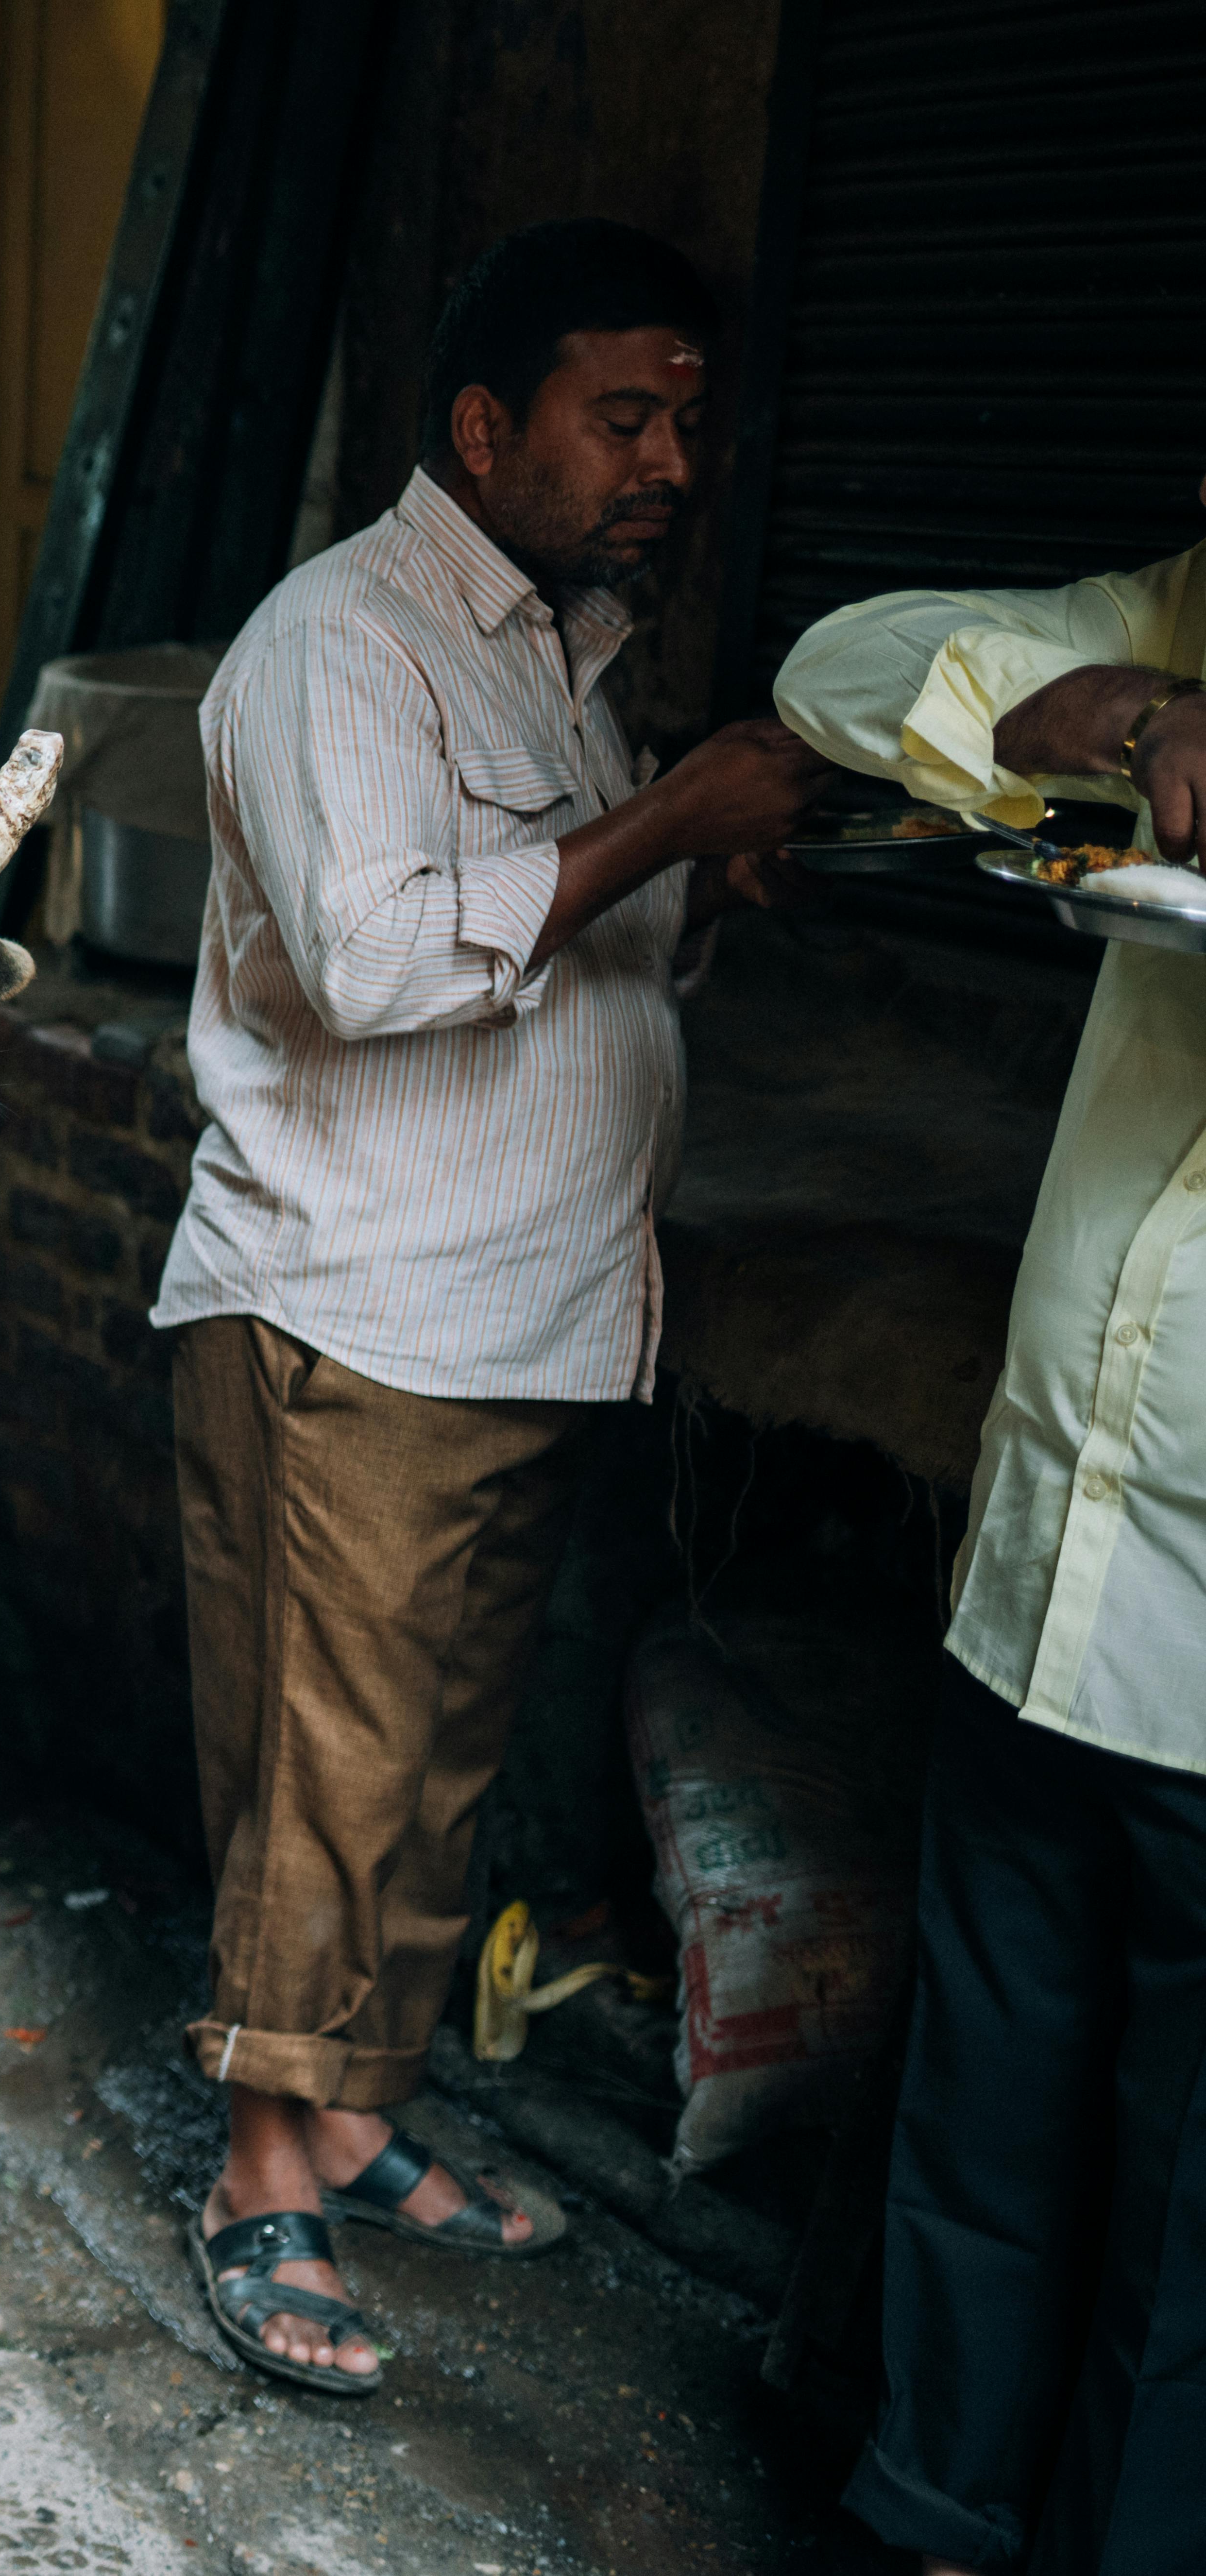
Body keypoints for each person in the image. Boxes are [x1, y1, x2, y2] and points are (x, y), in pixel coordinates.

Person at [145, 219, 826, 2394]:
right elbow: (372, 966)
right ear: (477, 426)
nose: (662, 463)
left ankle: (353, 2120)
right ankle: (257, 2185)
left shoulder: (552, 646)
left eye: (680, 425)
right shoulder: (337, 644)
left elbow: (557, 959)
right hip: (352, 1308)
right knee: (323, 1781)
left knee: (427, 1772)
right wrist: (657, 827)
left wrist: (673, 874)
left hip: (513, 1312)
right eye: (616, 418)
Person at [773, 496, 1206, 2574]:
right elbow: (842, 667)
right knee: (981, 2118)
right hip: (1048, 1574)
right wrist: (1133, 713)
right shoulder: (1175, 624)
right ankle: (923, 2525)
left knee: (1178, 2232)